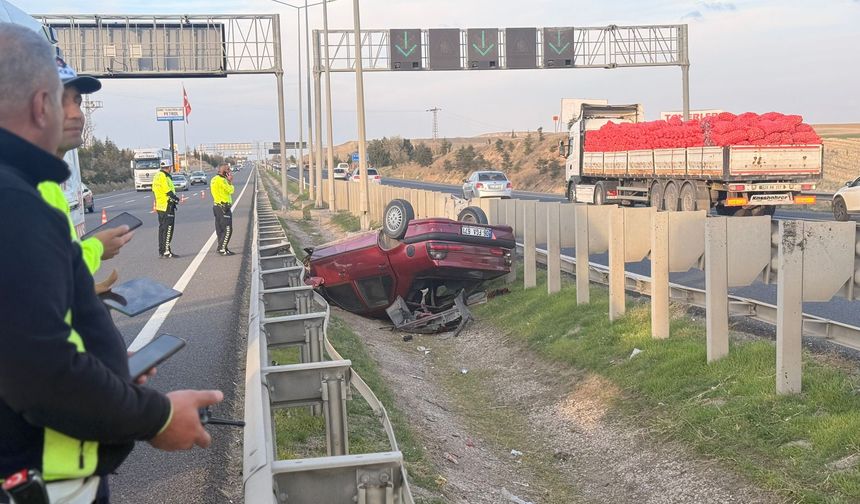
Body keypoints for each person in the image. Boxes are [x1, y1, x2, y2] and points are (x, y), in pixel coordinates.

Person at [0, 23, 221, 503]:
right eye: (64, 99)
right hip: (39, 481)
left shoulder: (20, 192)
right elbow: (41, 373)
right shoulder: (13, 202)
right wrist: (157, 417)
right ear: (40, 106)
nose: (75, 113)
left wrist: (109, 375)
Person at [37, 56, 131, 274]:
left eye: (77, 102)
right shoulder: (19, 189)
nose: (77, 114)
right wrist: (97, 247)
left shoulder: (48, 185)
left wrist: (83, 291)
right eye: (59, 101)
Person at [152, 159, 180, 258]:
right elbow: (167, 190)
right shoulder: (163, 176)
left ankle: (162, 250)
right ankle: (167, 251)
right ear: (169, 167)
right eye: (170, 167)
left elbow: (155, 190)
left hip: (160, 206)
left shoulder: (156, 176)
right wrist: (175, 199)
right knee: (168, 229)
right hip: (167, 206)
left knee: (162, 229)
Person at [211, 163, 235, 256]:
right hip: (223, 207)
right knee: (228, 229)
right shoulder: (222, 180)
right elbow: (231, 190)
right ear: (223, 171)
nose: (230, 171)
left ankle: (222, 247)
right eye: (228, 169)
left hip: (217, 207)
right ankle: (222, 249)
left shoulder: (214, 179)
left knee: (220, 230)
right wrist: (230, 181)